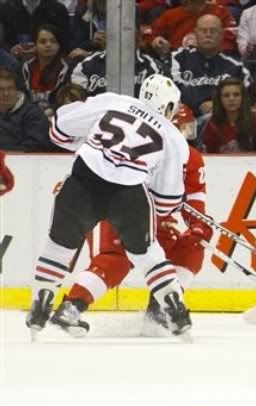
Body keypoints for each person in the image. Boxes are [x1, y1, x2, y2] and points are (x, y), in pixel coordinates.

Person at [25, 74, 193, 339]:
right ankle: (176, 311)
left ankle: (40, 306)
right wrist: (148, 203)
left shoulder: (114, 101)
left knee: (58, 246)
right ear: (169, 106)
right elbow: (169, 199)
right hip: (129, 193)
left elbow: (59, 128)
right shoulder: (173, 137)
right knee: (147, 253)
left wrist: (88, 144)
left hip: (83, 180)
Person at [50, 105, 211, 337]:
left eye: (188, 129)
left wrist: (198, 226)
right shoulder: (139, 147)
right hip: (113, 212)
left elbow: (195, 204)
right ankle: (71, 307)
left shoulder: (193, 159)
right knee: (115, 260)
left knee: (193, 245)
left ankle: (159, 312)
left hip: (155, 222)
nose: (186, 135)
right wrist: (155, 217)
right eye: (182, 129)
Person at [170, 14, 253, 120]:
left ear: (221, 35)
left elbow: (248, 94)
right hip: (184, 121)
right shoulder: (178, 58)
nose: (208, 34)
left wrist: (218, 105)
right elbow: (170, 88)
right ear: (195, 33)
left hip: (222, 121)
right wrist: (200, 103)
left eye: (213, 31)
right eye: (203, 31)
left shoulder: (235, 67)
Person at [142, 0, 237, 60]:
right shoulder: (170, 15)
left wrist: (207, 48)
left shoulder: (221, 12)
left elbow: (230, 40)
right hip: (177, 66)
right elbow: (149, 34)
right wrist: (155, 41)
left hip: (213, 65)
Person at [200, 76, 256, 153]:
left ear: (243, 97)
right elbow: (210, 157)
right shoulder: (212, 125)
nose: (231, 99)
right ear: (219, 99)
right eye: (226, 95)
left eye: (236, 94)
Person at [20, 24, 71, 117]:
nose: (48, 45)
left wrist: (49, 112)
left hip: (58, 116)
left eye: (53, 41)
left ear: (59, 44)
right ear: (35, 45)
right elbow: (21, 96)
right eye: (43, 42)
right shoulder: (26, 67)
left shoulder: (68, 68)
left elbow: (67, 100)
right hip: (29, 116)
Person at [0, 66, 52, 151]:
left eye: (10, 89)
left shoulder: (33, 113)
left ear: (17, 90)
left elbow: (36, 147)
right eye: (0, 89)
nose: (6, 93)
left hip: (23, 162)